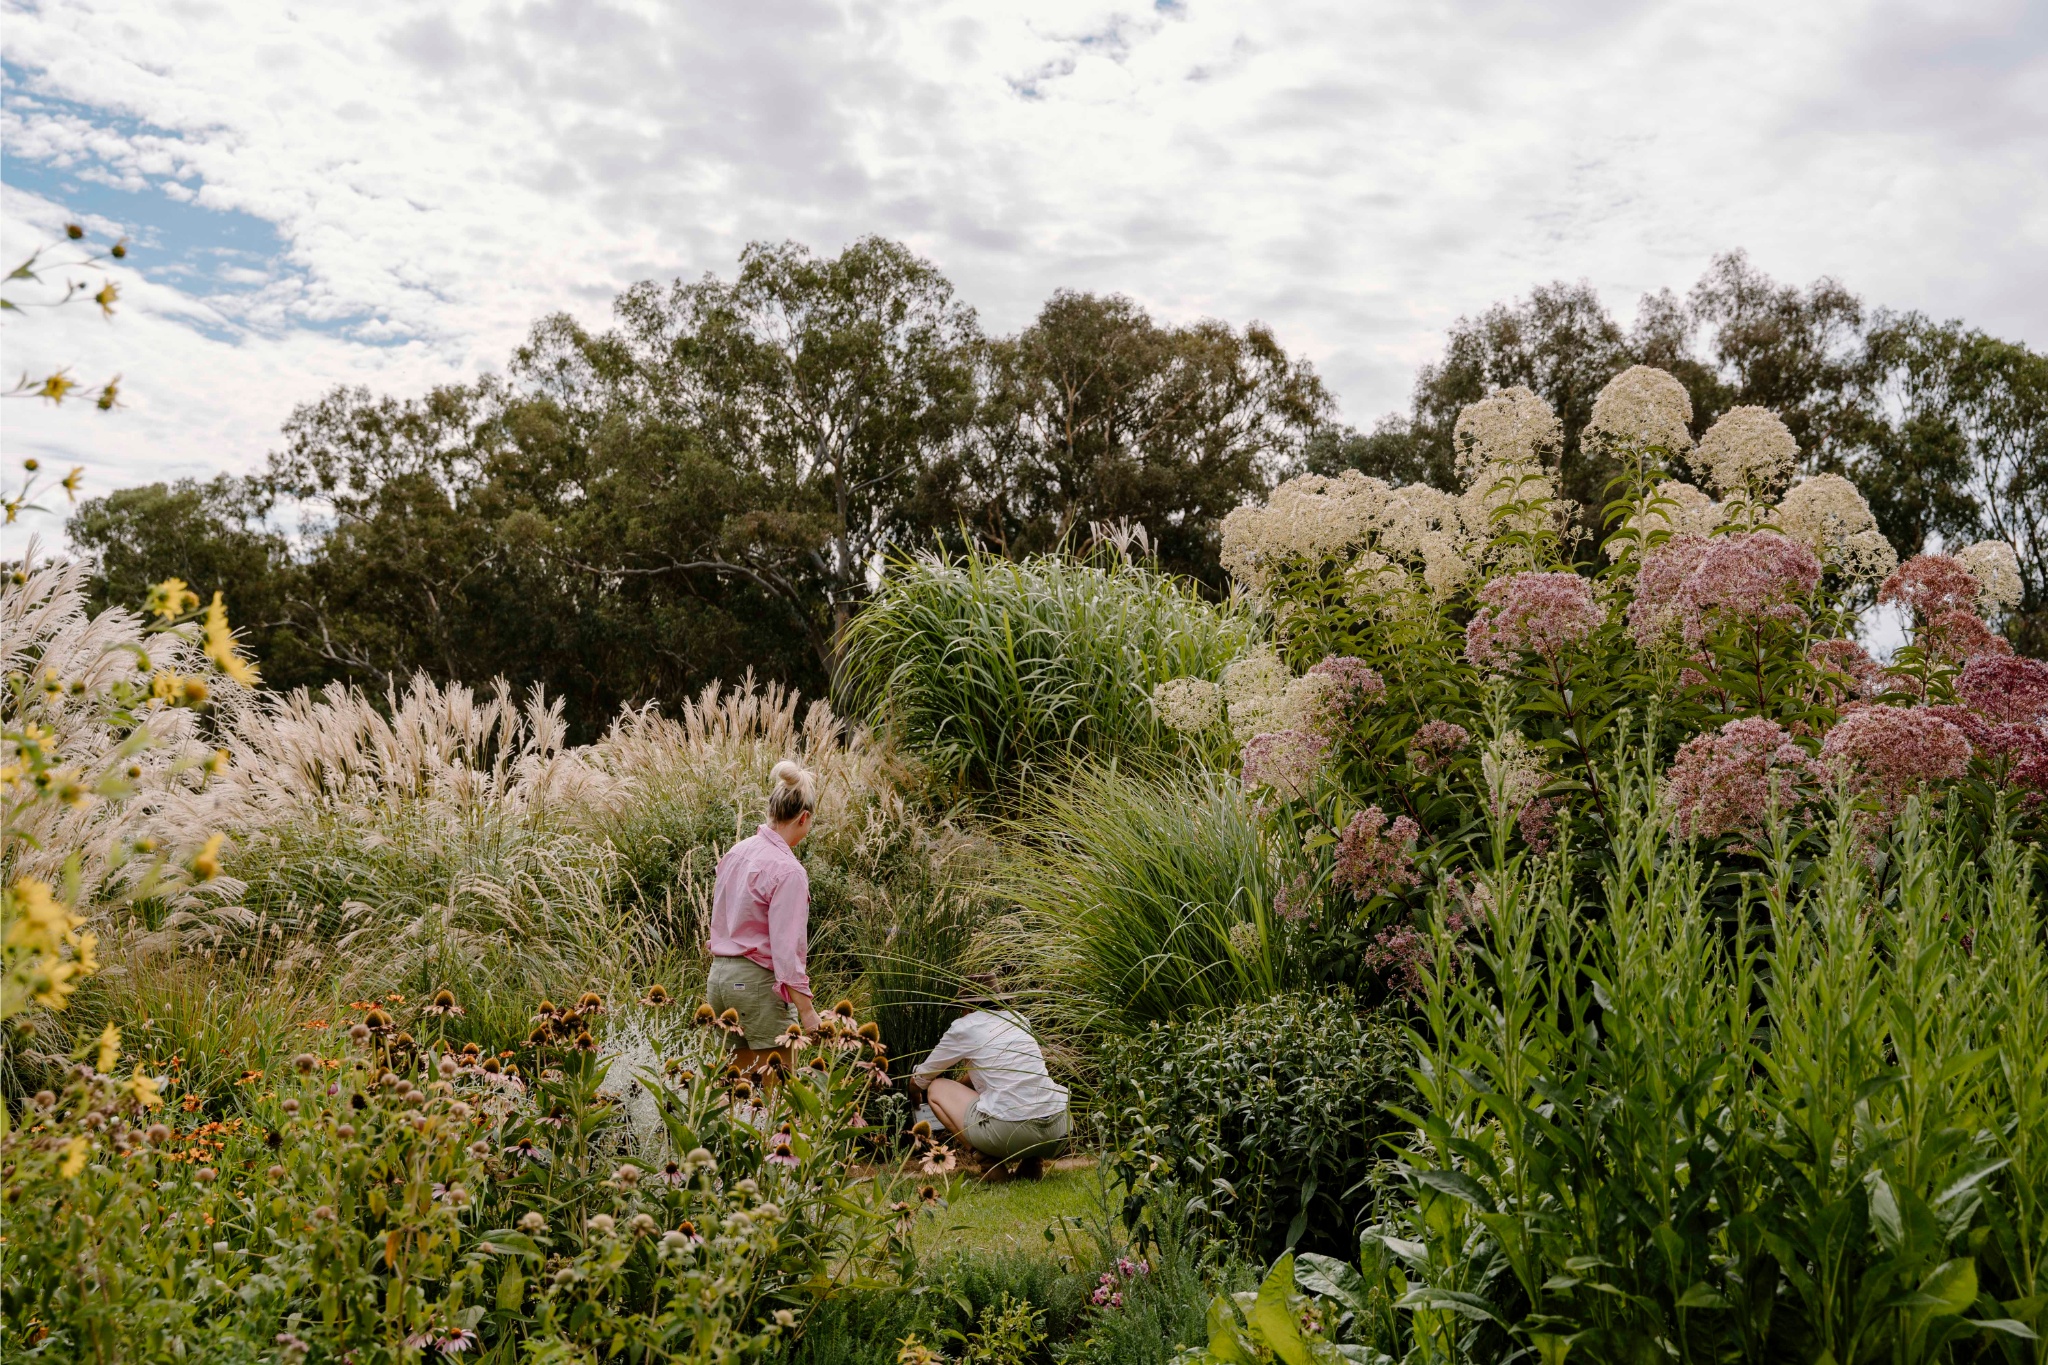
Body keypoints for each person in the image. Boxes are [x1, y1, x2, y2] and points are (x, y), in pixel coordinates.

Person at [707, 760, 822, 1073]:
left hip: (719, 979)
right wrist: (808, 1012)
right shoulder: (789, 871)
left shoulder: (737, 852)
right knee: (778, 1091)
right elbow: (787, 953)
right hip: (757, 985)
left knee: (737, 1087)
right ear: (804, 817)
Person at [910, 977, 1070, 1179]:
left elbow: (923, 1078)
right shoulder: (1018, 1019)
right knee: (1028, 1089)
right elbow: (999, 1071)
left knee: (937, 1088)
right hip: (1057, 1130)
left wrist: (914, 1091)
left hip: (1009, 1135)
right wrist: (960, 1093)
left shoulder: (964, 1027)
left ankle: (989, 1164)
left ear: (967, 1007)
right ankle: (1033, 1161)